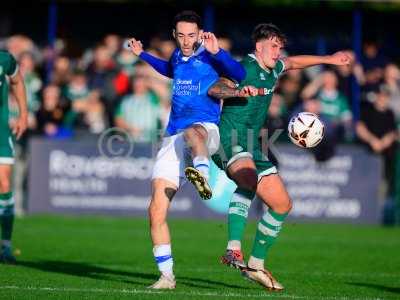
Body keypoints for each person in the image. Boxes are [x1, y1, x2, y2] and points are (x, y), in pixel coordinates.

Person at [208, 23, 351, 290]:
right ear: (259, 46)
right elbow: (215, 89)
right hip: (228, 139)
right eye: (273, 46)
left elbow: (294, 62)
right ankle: (233, 248)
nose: (278, 51)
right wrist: (237, 91)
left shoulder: (273, 69)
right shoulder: (244, 68)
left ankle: (256, 265)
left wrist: (329, 59)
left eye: (279, 46)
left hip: (253, 144)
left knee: (282, 205)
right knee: (248, 177)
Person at [126, 10, 252, 289]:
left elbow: (239, 73)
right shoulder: (176, 56)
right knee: (156, 210)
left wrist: (219, 53)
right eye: (181, 35)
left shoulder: (210, 54)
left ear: (200, 33)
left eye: (191, 35)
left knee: (193, 131)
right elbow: (169, 70)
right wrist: (143, 55)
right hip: (173, 137)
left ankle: (202, 174)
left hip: (205, 131)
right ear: (175, 34)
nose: (186, 40)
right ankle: (167, 276)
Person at [0, 50, 28, 263]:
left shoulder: (5, 59)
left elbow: (17, 82)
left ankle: (6, 246)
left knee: (4, 182)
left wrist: (23, 115)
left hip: (0, 130)